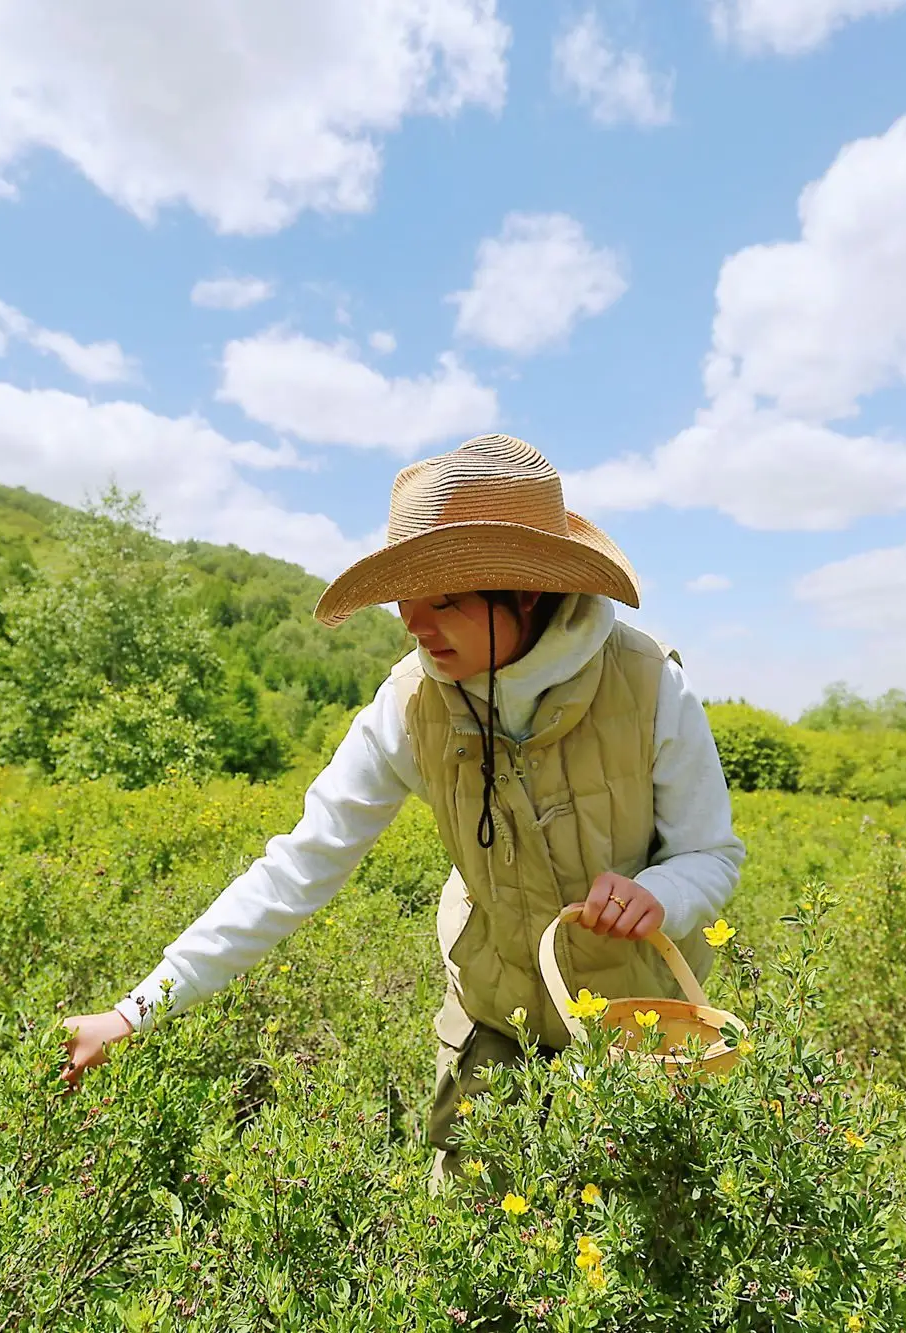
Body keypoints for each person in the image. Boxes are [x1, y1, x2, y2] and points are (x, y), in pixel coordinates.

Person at [61, 432, 744, 1179]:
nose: (416, 626)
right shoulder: (408, 705)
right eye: (404, 602)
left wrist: (657, 894)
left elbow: (712, 854)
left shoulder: (649, 686)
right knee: (472, 1245)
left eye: (444, 600)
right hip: (494, 1020)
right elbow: (297, 868)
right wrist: (134, 1011)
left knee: (627, 1258)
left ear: (527, 591)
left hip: (635, 1028)